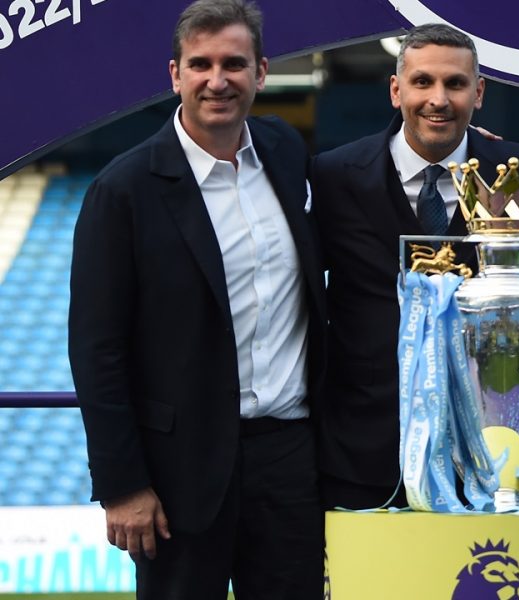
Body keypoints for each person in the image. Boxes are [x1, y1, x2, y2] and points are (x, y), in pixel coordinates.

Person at [68, 1, 326, 598]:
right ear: (174, 74)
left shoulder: (286, 153)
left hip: (289, 460)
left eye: (234, 64)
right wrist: (122, 485)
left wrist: (461, 142)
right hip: (177, 474)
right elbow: (96, 350)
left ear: (261, 72)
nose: (218, 80)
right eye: (201, 64)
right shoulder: (122, 191)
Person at [309, 24, 519, 510]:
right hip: (364, 453)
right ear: (396, 91)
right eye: (422, 82)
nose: (438, 99)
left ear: (478, 93)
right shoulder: (332, 176)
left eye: (455, 84)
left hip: (490, 455)